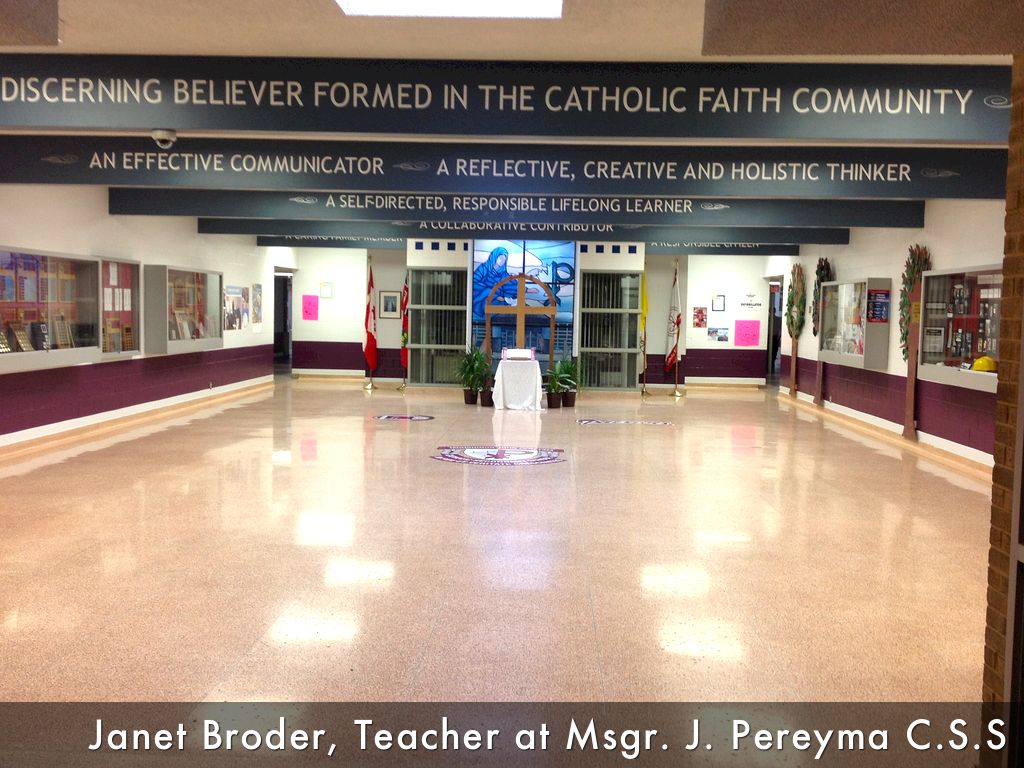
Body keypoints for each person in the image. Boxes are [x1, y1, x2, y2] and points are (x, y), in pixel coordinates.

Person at [472, 246, 518, 320]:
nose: (502, 261)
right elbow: (474, 282)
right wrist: (492, 293)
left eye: (504, 259)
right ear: (494, 256)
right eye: (500, 258)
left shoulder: (503, 273)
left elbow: (510, 284)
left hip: (497, 298)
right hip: (481, 295)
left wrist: (526, 289)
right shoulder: (483, 268)